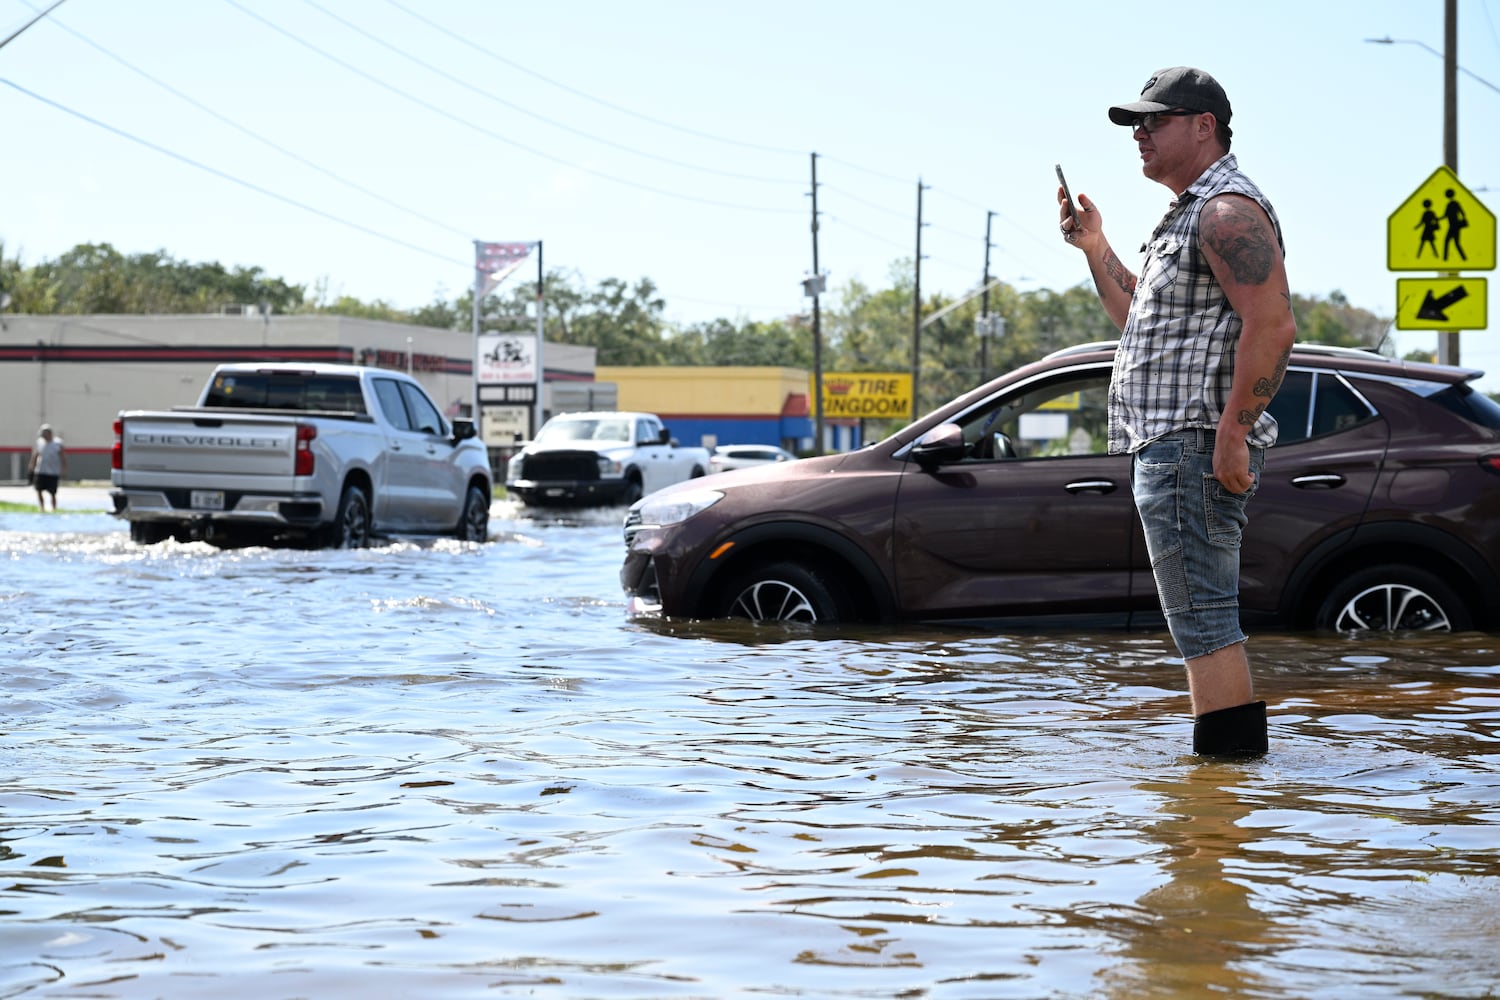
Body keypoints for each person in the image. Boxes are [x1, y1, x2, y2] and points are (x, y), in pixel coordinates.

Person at [1058, 67, 1297, 758]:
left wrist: (1232, 436)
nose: (1139, 134)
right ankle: (1223, 800)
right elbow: (1138, 318)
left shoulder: (1225, 211)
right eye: (1135, 123)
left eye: (1153, 120)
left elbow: (1273, 326)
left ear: (1205, 126)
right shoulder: (1191, 214)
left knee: (1204, 622)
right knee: (1200, 621)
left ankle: (1222, 805)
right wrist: (1096, 247)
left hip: (1192, 444)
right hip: (1172, 445)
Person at [30, 423, 67, 512]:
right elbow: (36, 454)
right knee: (39, 490)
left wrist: (63, 469)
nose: (43, 437)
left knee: (53, 492)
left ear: (49, 433)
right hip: (41, 470)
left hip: (53, 472)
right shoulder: (40, 442)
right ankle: (42, 508)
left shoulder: (57, 443)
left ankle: (53, 508)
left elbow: (63, 457)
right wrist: (32, 465)